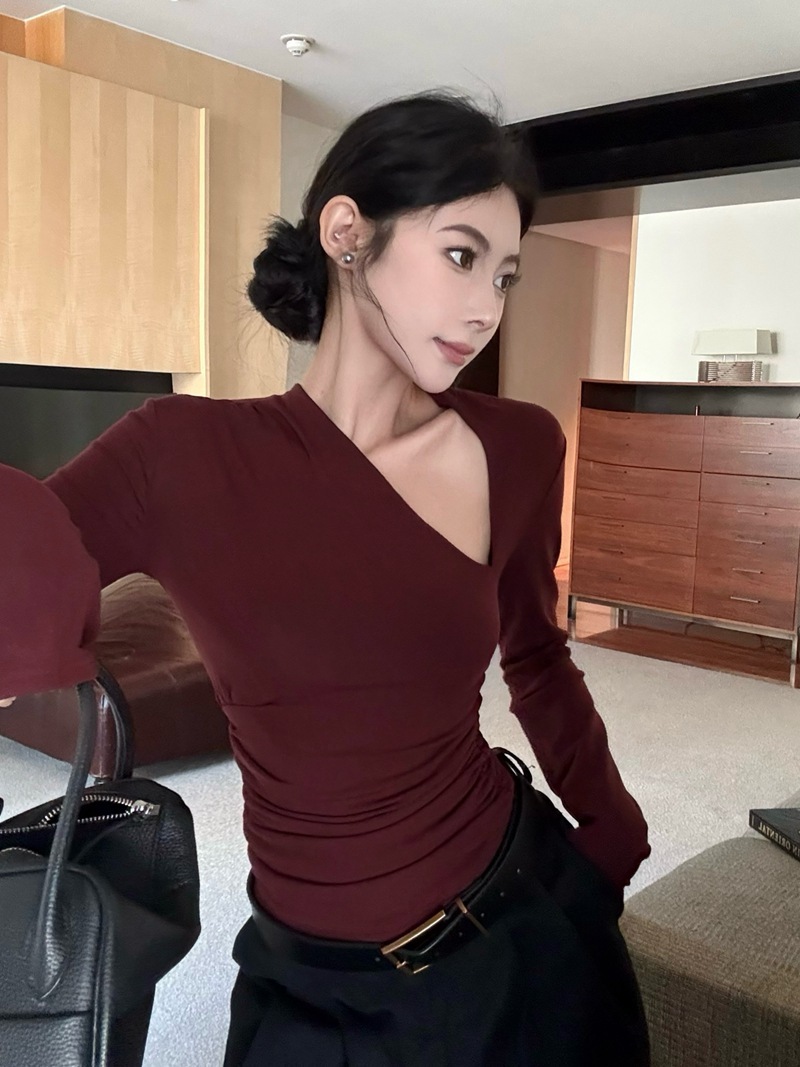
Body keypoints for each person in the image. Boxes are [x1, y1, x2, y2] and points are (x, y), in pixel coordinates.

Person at [1, 91, 651, 1065]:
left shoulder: (519, 444)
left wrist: (608, 833)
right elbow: (22, 580)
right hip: (302, 981)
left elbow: (536, 655)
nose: (486, 306)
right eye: (461, 255)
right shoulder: (181, 452)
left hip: (517, 930)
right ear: (347, 233)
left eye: (505, 275)